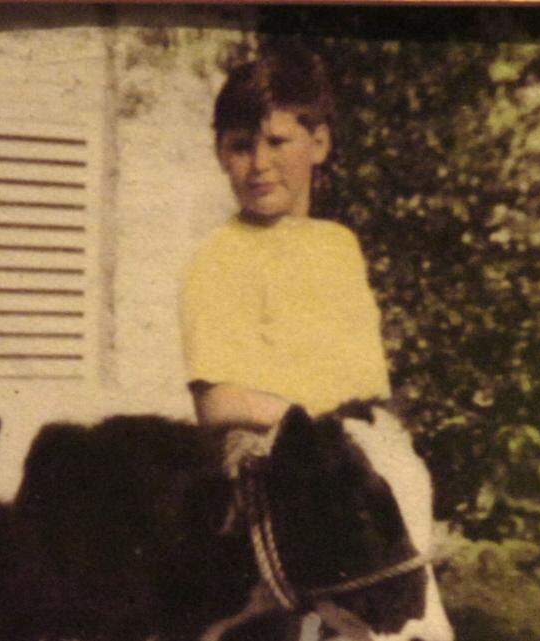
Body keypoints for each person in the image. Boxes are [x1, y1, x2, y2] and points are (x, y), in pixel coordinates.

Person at [179, 48, 392, 640]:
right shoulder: (220, 257)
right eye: (241, 146)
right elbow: (217, 402)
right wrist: (318, 423)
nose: (259, 164)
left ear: (318, 144)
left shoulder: (338, 246)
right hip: (272, 462)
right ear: (221, 154)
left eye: (277, 142)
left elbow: (370, 383)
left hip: (352, 461)